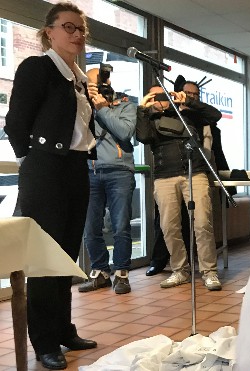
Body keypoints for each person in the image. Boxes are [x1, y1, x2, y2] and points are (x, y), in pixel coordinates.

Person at [4, 2, 98, 368]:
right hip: (46, 171)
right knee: (45, 258)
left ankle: (63, 330)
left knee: (66, 253)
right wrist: (33, 162)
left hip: (75, 167)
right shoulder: (38, 67)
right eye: (69, 28)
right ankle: (44, 342)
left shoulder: (77, 76)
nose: (77, 35)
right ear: (49, 32)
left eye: (81, 29)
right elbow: (15, 123)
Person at [136, 84, 222, 291]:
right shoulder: (150, 118)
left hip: (195, 172)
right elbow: (143, 137)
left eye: (162, 95)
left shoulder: (187, 114)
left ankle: (209, 272)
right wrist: (143, 110)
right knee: (169, 226)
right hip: (164, 176)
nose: (159, 99)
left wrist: (188, 101)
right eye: (154, 96)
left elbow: (215, 115)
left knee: (202, 223)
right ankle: (180, 270)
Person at [78, 67, 137, 295]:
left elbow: (124, 132)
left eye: (96, 84)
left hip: (119, 172)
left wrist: (102, 107)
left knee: (121, 226)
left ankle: (121, 274)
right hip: (90, 172)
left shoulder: (125, 105)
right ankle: (100, 272)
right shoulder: (82, 107)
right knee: (91, 227)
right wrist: (87, 104)